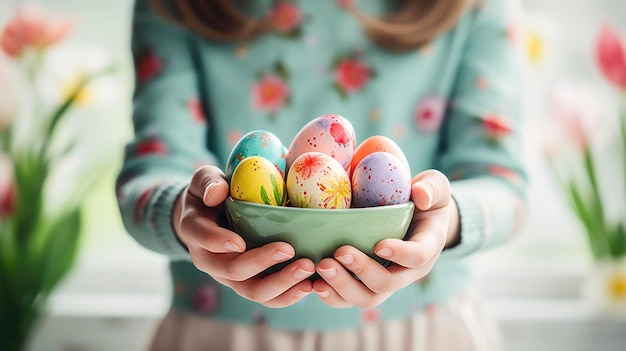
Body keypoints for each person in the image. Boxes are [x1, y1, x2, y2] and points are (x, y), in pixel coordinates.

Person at [116, 0, 527, 349]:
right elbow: (150, 171)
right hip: (220, 334)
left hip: (425, 332)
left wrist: (446, 217)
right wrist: (185, 215)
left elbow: (502, 182)